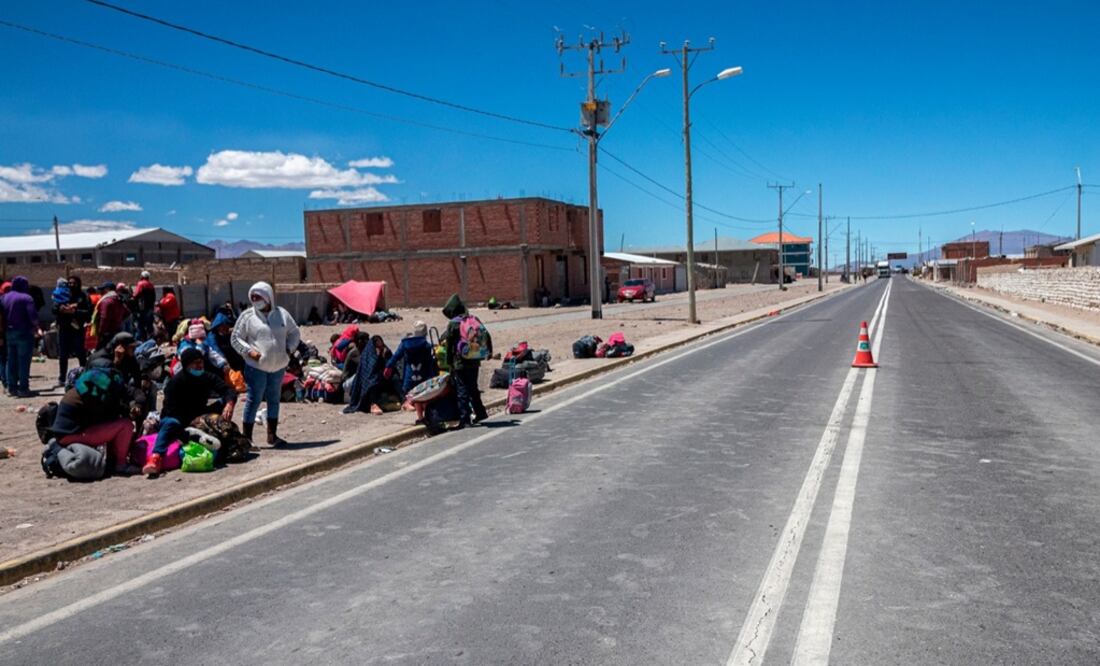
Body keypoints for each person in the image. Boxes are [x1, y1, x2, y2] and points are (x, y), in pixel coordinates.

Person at [143, 347, 237, 477]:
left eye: (201, 362)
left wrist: (229, 403)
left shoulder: (206, 377)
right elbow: (170, 409)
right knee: (170, 422)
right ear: (187, 365)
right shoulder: (175, 382)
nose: (200, 365)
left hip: (198, 414)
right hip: (177, 417)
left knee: (223, 402)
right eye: (196, 363)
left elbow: (228, 390)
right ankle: (156, 458)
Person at [231, 282, 300, 446]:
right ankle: (247, 438)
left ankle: (272, 436)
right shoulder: (248, 316)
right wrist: (248, 351)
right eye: (253, 297)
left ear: (268, 297)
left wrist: (289, 349)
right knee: (254, 400)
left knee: (274, 400)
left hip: (278, 366)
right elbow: (235, 338)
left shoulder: (282, 314)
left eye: (259, 296)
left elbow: (294, 332)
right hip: (256, 367)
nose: (255, 300)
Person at [49, 365, 138, 475]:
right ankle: (121, 464)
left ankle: (112, 461)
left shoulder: (77, 391)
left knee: (113, 425)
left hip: (63, 435)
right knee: (125, 425)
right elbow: (104, 419)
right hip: (72, 435)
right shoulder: (92, 397)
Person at [441, 294, 491, 428]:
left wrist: (449, 362)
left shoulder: (453, 324)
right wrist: (488, 352)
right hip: (474, 360)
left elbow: (450, 345)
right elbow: (486, 335)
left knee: (462, 389)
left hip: (460, 362)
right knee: (473, 387)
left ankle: (465, 419)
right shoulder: (474, 319)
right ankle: (480, 412)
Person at [87, 331, 152, 425]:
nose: (134, 349)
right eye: (132, 347)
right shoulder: (100, 359)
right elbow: (104, 381)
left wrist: (138, 398)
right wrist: (116, 363)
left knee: (146, 394)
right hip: (101, 395)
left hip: (120, 389)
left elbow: (137, 374)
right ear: (120, 347)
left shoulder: (128, 356)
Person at [1, 276, 41, 398]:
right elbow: (32, 316)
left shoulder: (4, 297)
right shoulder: (26, 298)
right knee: (23, 361)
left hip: (9, 332)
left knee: (11, 360)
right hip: (24, 332)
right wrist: (37, 327)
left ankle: (11, 388)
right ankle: (23, 388)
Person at [385, 321, 438, 410]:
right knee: (422, 394)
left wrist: (388, 366)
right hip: (423, 376)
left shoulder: (405, 344)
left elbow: (396, 356)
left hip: (409, 377)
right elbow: (429, 363)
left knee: (409, 393)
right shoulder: (426, 345)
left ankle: (409, 403)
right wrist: (432, 377)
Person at [54, 275, 92, 387]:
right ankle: (62, 378)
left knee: (81, 354)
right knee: (63, 355)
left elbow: (88, 313)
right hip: (64, 329)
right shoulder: (61, 294)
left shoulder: (83, 296)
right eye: (69, 283)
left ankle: (84, 375)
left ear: (78, 284)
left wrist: (74, 312)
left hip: (77, 329)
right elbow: (54, 309)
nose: (71, 285)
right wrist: (62, 310)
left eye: (73, 283)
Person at [344, 335, 395, 416]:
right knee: (372, 380)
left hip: (376, 376)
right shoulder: (360, 353)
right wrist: (378, 356)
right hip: (357, 379)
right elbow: (368, 369)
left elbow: (390, 364)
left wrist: (384, 355)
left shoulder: (384, 351)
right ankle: (373, 404)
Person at [92, 282, 128, 350]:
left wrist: (101, 333)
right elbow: (127, 313)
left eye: (102, 289)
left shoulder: (106, 301)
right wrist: (118, 321)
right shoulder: (117, 299)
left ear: (107, 289)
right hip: (117, 330)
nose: (100, 292)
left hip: (107, 333)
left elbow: (104, 318)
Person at [132, 271, 157, 341]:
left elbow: (136, 295)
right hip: (150, 308)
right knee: (149, 325)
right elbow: (154, 297)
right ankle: (151, 340)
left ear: (142, 276)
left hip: (142, 308)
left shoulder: (141, 284)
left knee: (140, 325)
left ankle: (141, 340)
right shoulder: (151, 285)